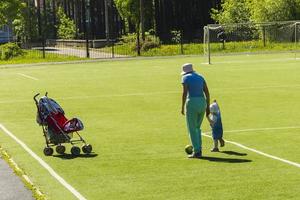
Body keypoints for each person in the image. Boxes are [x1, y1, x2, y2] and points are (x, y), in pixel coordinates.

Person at [181, 63, 210, 158]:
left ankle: (197, 151)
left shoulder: (185, 78)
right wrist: (207, 107)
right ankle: (198, 148)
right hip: (202, 102)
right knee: (197, 127)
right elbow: (207, 92)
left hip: (192, 103)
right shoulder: (200, 76)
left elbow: (185, 93)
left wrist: (182, 107)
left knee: (192, 128)